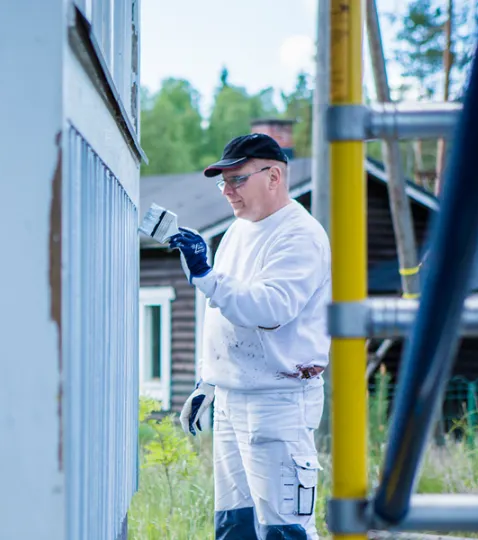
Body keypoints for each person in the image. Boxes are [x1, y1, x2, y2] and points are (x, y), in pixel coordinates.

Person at [168, 132, 332, 540]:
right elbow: (222, 317)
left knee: (284, 528)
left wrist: (205, 275)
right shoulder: (239, 231)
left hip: (278, 402)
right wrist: (209, 380)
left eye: (237, 178)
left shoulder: (300, 235)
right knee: (234, 524)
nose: (226, 190)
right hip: (233, 397)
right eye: (222, 181)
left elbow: (269, 309)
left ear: (274, 176)